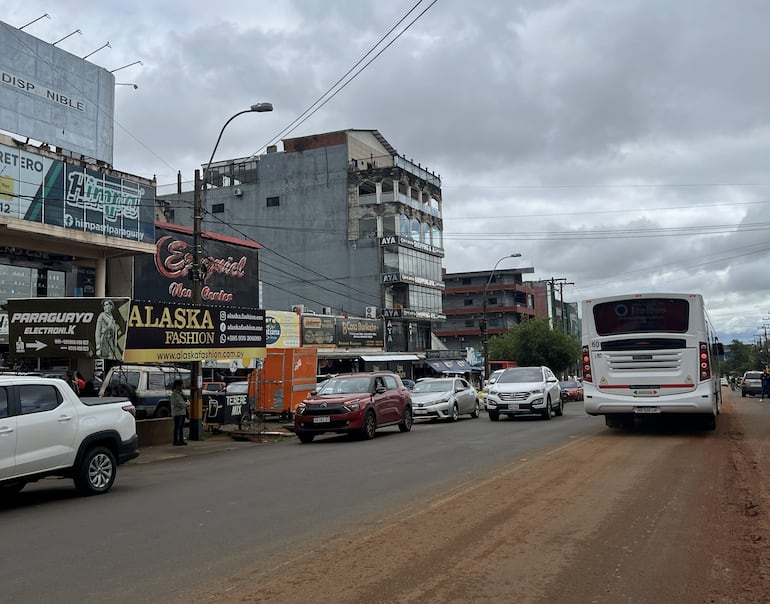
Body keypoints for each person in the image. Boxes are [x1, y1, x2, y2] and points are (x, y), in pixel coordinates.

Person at [171, 379, 188, 446]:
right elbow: (180, 404)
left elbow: (185, 401)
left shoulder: (181, 393)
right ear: (176, 386)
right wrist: (187, 404)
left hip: (182, 412)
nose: (181, 387)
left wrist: (186, 402)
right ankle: (176, 441)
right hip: (177, 413)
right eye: (180, 385)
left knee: (181, 427)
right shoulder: (174, 394)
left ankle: (181, 440)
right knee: (177, 427)